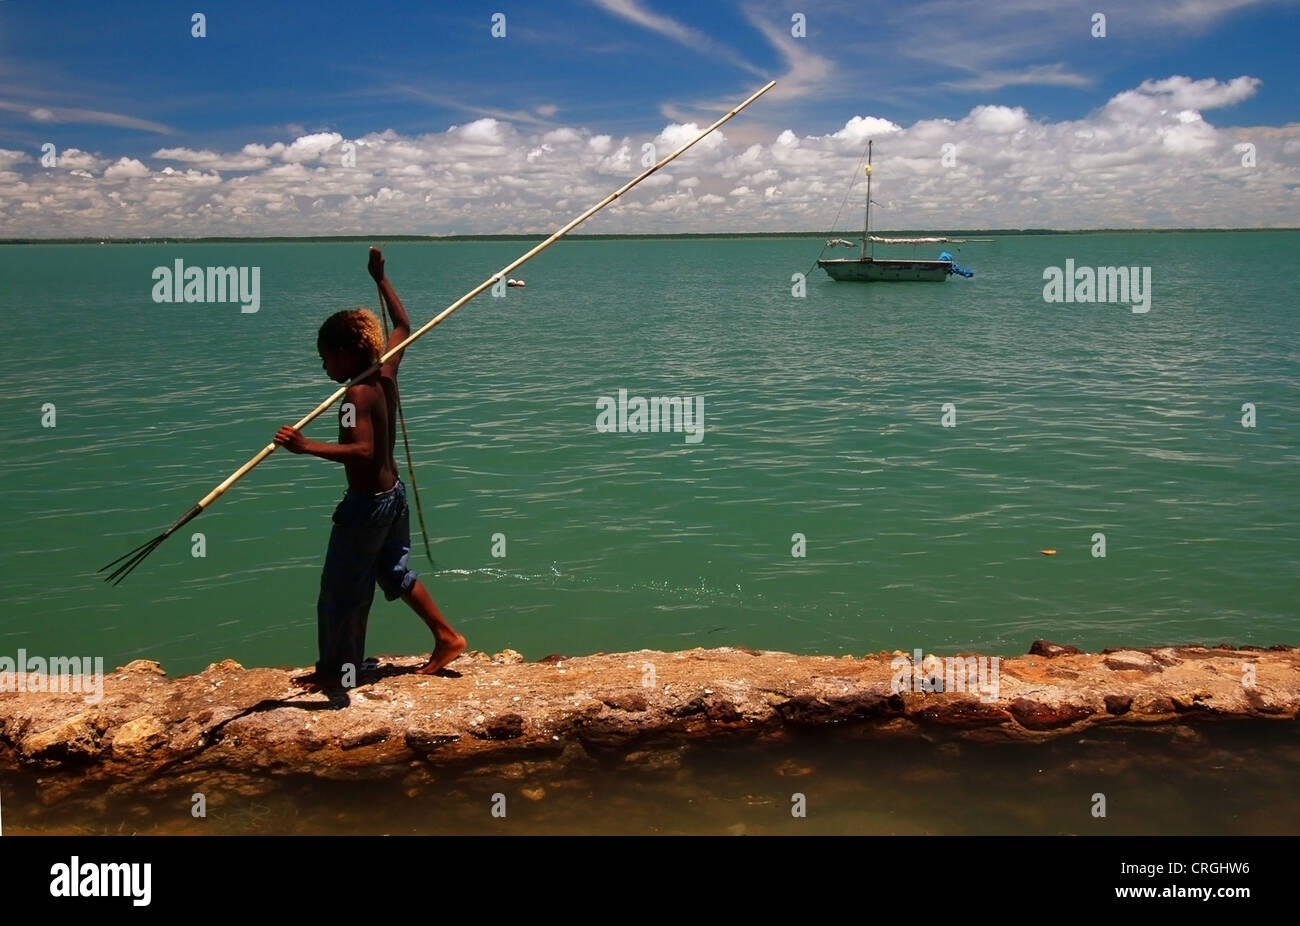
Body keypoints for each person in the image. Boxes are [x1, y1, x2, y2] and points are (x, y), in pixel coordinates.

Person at [274, 247, 465, 689]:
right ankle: (447, 636)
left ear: (344, 352)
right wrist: (380, 280)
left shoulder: (354, 398)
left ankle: (338, 673)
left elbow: (362, 451)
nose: (324, 365)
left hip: (366, 507)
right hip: (392, 496)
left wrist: (306, 446)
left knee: (341, 591)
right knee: (392, 572)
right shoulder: (386, 369)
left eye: (326, 357)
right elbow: (403, 325)